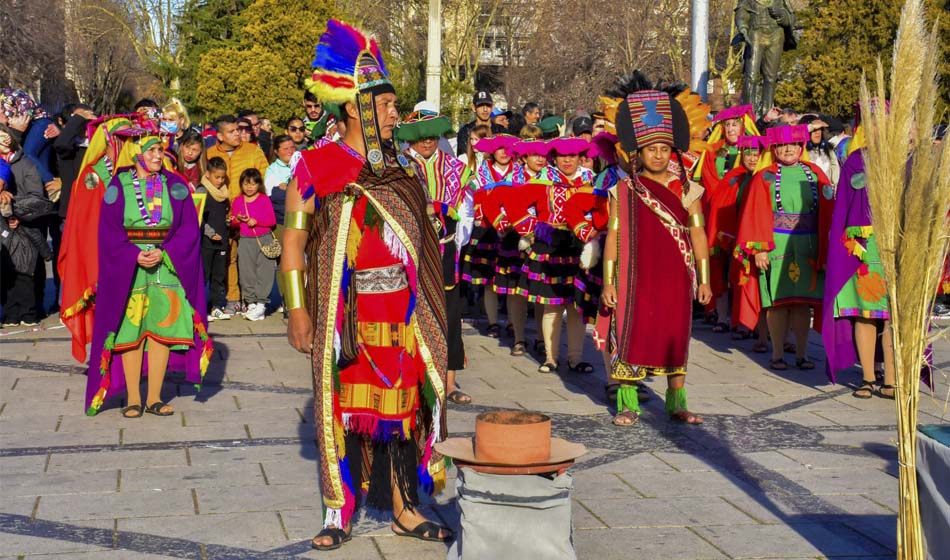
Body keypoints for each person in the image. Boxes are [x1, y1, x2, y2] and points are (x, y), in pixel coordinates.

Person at [282, 19, 451, 550]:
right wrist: (296, 310)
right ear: (354, 108)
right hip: (344, 316)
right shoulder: (314, 165)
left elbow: (425, 245)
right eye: (384, 104)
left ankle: (405, 506)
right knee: (344, 408)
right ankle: (339, 509)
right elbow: (292, 244)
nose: (394, 112)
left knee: (403, 411)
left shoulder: (404, 167)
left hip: (403, 312)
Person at [598, 88, 712, 427]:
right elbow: (614, 235)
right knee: (633, 334)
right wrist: (608, 281)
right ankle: (628, 404)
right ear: (638, 152)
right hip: (636, 276)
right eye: (652, 149)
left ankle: (677, 403)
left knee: (675, 338)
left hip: (676, 276)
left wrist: (704, 279)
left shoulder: (689, 189)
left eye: (664, 149)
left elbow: (698, 234)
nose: (659, 156)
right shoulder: (623, 189)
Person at [85, 132, 211, 417]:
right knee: (132, 330)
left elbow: (189, 228)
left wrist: (166, 252)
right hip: (130, 267)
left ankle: (154, 397)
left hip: (166, 266)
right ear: (136, 153)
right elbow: (108, 229)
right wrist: (132, 255)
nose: (158, 156)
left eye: (161, 150)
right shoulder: (119, 185)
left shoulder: (176, 184)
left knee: (160, 331)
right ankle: (132, 397)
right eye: (152, 150)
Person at [734, 124, 833, 371]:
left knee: (801, 303)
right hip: (775, 245)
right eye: (781, 146)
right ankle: (777, 353)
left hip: (808, 244)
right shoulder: (764, 176)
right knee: (778, 302)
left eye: (793, 145)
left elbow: (829, 211)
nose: (787, 149)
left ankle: (802, 354)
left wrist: (827, 248)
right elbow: (754, 213)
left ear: (801, 147)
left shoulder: (815, 173)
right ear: (774, 149)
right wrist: (758, 249)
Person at [397, 110, 474, 405]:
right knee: (411, 311)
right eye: (420, 137)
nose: (426, 142)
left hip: (445, 250)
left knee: (450, 313)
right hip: (409, 251)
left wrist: (455, 238)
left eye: (432, 136)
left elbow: (466, 212)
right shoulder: (399, 167)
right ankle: (413, 377)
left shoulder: (455, 169)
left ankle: (449, 380)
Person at [822, 107, 895, 399]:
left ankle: (891, 379)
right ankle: (866, 376)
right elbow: (843, 209)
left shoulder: (905, 158)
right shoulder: (855, 159)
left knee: (893, 317)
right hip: (862, 249)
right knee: (864, 314)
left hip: (894, 248)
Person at [509, 136, 593, 374]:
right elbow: (515, 205)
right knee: (552, 306)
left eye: (573, 156)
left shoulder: (589, 181)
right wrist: (536, 230)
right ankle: (550, 357)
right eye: (562, 156)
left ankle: (575, 358)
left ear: (580, 157)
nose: (568, 161)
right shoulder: (542, 180)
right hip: (551, 248)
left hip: (579, 247)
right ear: (554, 158)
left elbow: (601, 210)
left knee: (577, 307)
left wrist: (592, 231)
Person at [705, 135, 768, 346]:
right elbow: (720, 208)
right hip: (736, 239)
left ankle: (763, 329)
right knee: (738, 280)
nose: (752, 159)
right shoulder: (734, 177)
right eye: (747, 154)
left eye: (755, 154)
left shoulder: (767, 177)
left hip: (761, 238)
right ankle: (739, 322)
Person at [206, 113, 269, 316]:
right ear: (220, 135)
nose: (238, 134)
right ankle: (233, 298)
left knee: (251, 259)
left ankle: (251, 299)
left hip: (250, 217)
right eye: (232, 131)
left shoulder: (252, 151)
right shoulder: (208, 154)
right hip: (223, 216)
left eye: (239, 130)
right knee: (229, 259)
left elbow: (264, 180)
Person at [462, 134, 518, 337]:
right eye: (499, 148)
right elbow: (474, 199)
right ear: (492, 151)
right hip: (488, 230)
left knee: (513, 280)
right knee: (489, 282)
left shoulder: (520, 173)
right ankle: (493, 322)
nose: (504, 152)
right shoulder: (480, 174)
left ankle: (513, 322)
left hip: (513, 231)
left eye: (508, 148)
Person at [230, 168, 276, 322]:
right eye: (245, 184)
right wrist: (236, 219)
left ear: (259, 185)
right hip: (245, 240)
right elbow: (235, 222)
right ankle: (250, 303)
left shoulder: (264, 199)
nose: (249, 187)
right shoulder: (237, 201)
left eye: (253, 184)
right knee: (246, 272)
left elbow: (272, 220)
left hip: (264, 238)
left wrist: (257, 221)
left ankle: (261, 304)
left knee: (265, 271)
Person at [1, 192, 52, 327]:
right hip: (16, 264)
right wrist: (47, 254)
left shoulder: (25, 226)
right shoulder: (8, 225)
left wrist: (46, 253)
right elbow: (38, 239)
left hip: (21, 263)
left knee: (21, 291)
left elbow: (37, 239)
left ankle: (20, 316)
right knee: (14, 291)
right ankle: (18, 317)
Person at [197, 157, 231, 321]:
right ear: (207, 174)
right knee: (204, 275)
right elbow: (198, 218)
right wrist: (210, 233)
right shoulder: (202, 190)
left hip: (222, 240)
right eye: (217, 177)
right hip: (207, 242)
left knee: (219, 276)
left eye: (223, 177)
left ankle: (217, 306)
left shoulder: (224, 193)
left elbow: (223, 214)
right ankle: (200, 307)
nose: (220, 181)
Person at [265, 134, 295, 314]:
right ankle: (288, 301)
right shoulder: (272, 171)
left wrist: (287, 188)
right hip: (282, 222)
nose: (290, 151)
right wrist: (291, 190)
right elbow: (274, 196)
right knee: (285, 262)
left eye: (292, 147)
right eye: (285, 149)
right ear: (276, 151)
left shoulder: (300, 164)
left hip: (300, 221)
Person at [455, 91, 506, 157]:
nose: (485, 109)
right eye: (481, 105)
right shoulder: (465, 132)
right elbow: (463, 159)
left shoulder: (501, 131)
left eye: (488, 105)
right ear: (473, 108)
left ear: (492, 107)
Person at [800, 115, 841, 188]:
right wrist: (811, 127)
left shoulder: (828, 149)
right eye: (814, 130)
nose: (817, 132)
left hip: (827, 193)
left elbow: (834, 167)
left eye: (819, 129)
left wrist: (835, 185)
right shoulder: (800, 150)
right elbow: (795, 135)